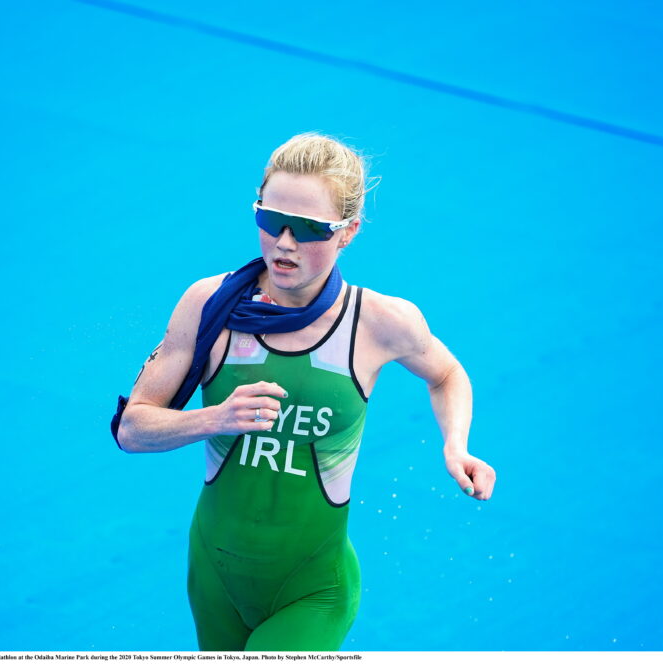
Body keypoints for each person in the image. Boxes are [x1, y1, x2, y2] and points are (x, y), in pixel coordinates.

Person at [112, 132, 496, 651]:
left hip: (313, 588)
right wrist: (215, 418)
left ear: (348, 232)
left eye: (310, 228)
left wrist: (456, 445)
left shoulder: (379, 323)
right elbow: (132, 429)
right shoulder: (209, 305)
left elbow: (447, 374)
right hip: (214, 575)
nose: (285, 243)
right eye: (271, 221)